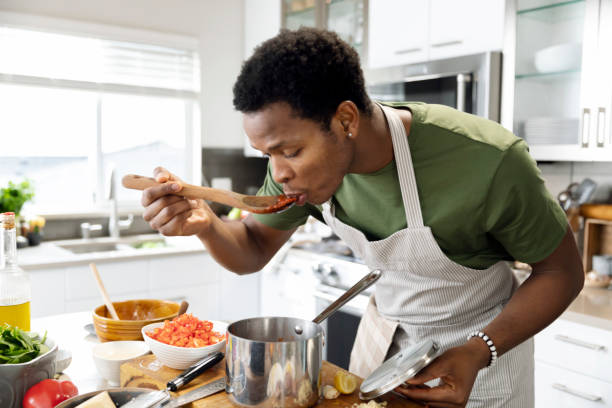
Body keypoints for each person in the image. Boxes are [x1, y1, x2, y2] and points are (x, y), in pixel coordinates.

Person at [140, 27, 584, 407]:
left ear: (346, 120)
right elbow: (252, 250)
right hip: (384, 341)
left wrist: (479, 350)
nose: (278, 172)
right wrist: (207, 225)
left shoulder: (488, 161)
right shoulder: (296, 178)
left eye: (290, 151)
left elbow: (561, 272)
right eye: (267, 154)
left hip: (481, 356)